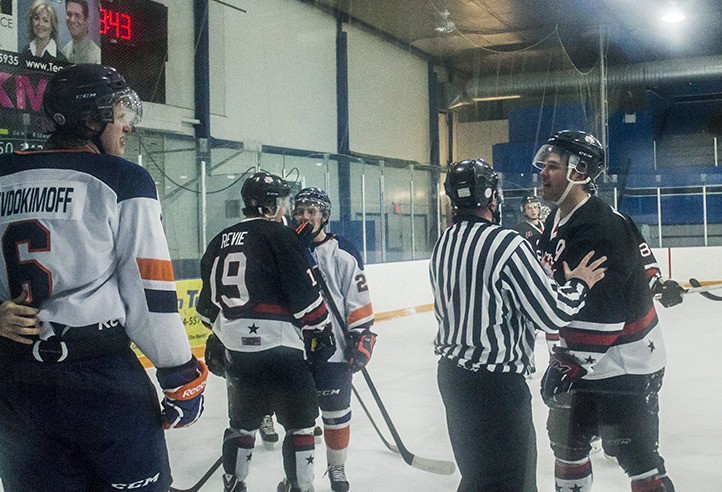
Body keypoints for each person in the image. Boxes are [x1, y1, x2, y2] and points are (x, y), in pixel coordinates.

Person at [0, 64, 207, 491]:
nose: (126, 126)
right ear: (92, 120)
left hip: (18, 382)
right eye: (119, 114)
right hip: (103, 383)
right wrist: (179, 373)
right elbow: (149, 292)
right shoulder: (123, 179)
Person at [430, 158, 607, 492]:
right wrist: (579, 284)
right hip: (495, 386)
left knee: (479, 476)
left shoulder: (444, 242)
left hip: (453, 378)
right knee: (511, 482)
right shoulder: (507, 244)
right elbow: (551, 313)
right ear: (490, 196)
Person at [534, 130, 683, 492]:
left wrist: (568, 363)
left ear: (580, 172)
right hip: (581, 361)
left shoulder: (602, 227)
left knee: (639, 460)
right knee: (567, 446)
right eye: (544, 164)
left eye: (553, 166)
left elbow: (604, 314)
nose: (543, 172)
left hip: (626, 364)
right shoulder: (554, 223)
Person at [196, 172, 336, 492]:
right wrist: (320, 329)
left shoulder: (220, 239)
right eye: (283, 201)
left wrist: (223, 334)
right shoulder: (281, 236)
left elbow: (206, 311)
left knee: (242, 423)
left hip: (240, 354)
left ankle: (233, 482)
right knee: (300, 424)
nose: (286, 207)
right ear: (271, 204)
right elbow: (305, 294)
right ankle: (300, 486)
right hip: (283, 349)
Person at [292, 187, 376, 492]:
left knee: (336, 412)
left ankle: (336, 467)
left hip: (335, 348)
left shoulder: (344, 252)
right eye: (300, 211)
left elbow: (358, 300)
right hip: (295, 348)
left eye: (312, 212)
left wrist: (362, 337)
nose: (305, 217)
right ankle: (298, 475)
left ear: (324, 216)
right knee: (298, 418)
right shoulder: (286, 249)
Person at [62, 0, 100, 64]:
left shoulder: (97, 57)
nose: (72, 20)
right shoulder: (65, 50)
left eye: (77, 15)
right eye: (69, 14)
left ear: (86, 20)